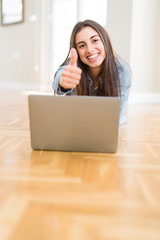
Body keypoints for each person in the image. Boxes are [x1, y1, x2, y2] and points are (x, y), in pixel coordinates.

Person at [52, 19, 131, 125]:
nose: (90, 49)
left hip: (105, 125)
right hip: (76, 124)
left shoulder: (122, 70)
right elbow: (61, 75)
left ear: (105, 41)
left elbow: (117, 114)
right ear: (77, 51)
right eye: (82, 45)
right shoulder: (73, 65)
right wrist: (62, 82)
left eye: (95, 40)